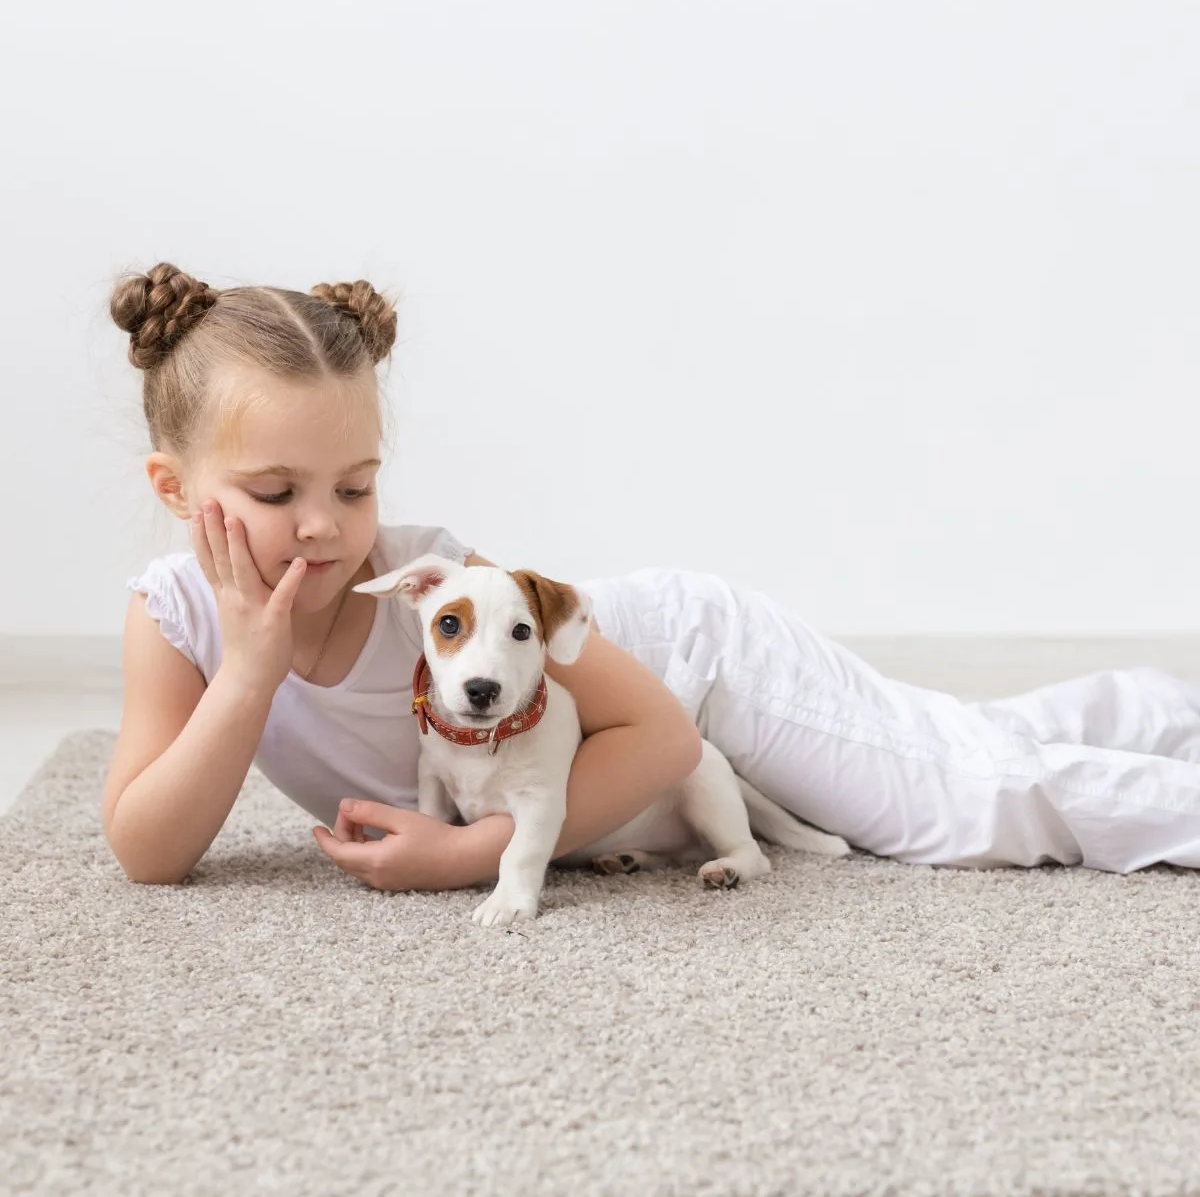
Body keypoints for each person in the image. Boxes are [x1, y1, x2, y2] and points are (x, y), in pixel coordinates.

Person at [105, 263, 1200, 889]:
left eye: (354, 487)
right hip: (655, 719)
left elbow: (666, 738)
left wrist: (471, 856)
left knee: (962, 804)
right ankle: (1153, 711)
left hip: (699, 667)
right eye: (273, 491)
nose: (322, 528)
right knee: (948, 745)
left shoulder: (424, 576)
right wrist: (247, 675)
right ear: (173, 485)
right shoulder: (176, 620)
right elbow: (149, 850)